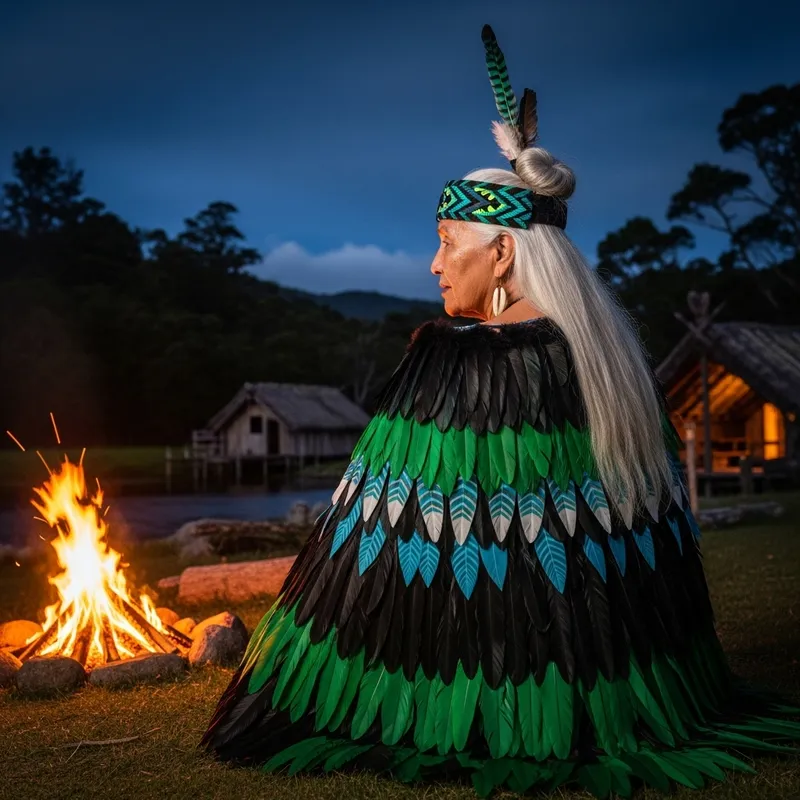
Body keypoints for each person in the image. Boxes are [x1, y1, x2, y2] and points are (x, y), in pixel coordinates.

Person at [200, 24, 800, 797]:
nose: (434, 262)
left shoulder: (455, 364)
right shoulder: (603, 362)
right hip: (623, 675)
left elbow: (376, 546)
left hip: (482, 675)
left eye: (449, 241)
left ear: (503, 253)